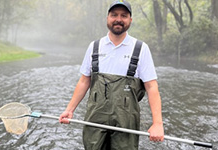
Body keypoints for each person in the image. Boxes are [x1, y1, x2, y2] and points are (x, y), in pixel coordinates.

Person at [59, 0, 164, 149]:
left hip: (126, 121)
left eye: (124, 15)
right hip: (94, 118)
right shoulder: (94, 47)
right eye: (114, 15)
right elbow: (84, 81)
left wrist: (157, 124)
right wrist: (69, 110)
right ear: (107, 18)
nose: (118, 19)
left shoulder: (141, 48)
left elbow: (152, 87)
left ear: (130, 20)